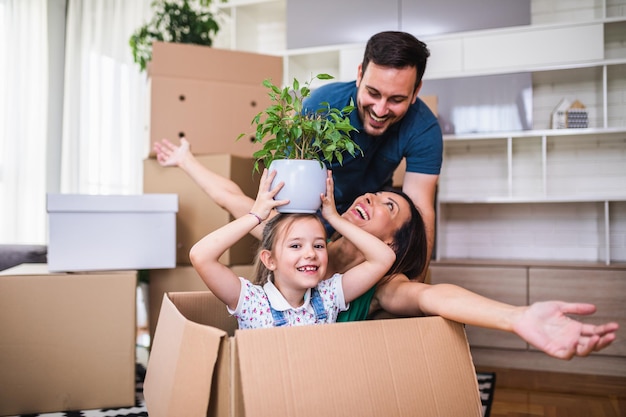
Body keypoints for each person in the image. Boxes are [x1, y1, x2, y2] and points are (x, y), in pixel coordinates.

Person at [154, 137, 618, 360]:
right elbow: (232, 198)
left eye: (388, 205)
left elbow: (433, 297)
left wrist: (516, 317)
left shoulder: (379, 284)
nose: (370, 197)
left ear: (394, 240)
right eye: (373, 193)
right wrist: (186, 159)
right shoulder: (307, 244)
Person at [302, 31, 442, 281]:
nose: (380, 110)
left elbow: (420, 211)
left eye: (396, 99)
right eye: (373, 93)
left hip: (371, 232)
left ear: (416, 91)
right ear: (359, 75)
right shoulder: (321, 107)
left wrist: (411, 285)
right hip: (314, 220)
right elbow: (292, 191)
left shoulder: (424, 128)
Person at [189, 169, 396, 329]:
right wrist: (256, 216)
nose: (310, 254)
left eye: (318, 245)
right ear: (270, 260)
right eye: (296, 245)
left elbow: (383, 258)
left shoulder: (329, 296)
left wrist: (334, 218)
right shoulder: (251, 302)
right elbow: (201, 256)